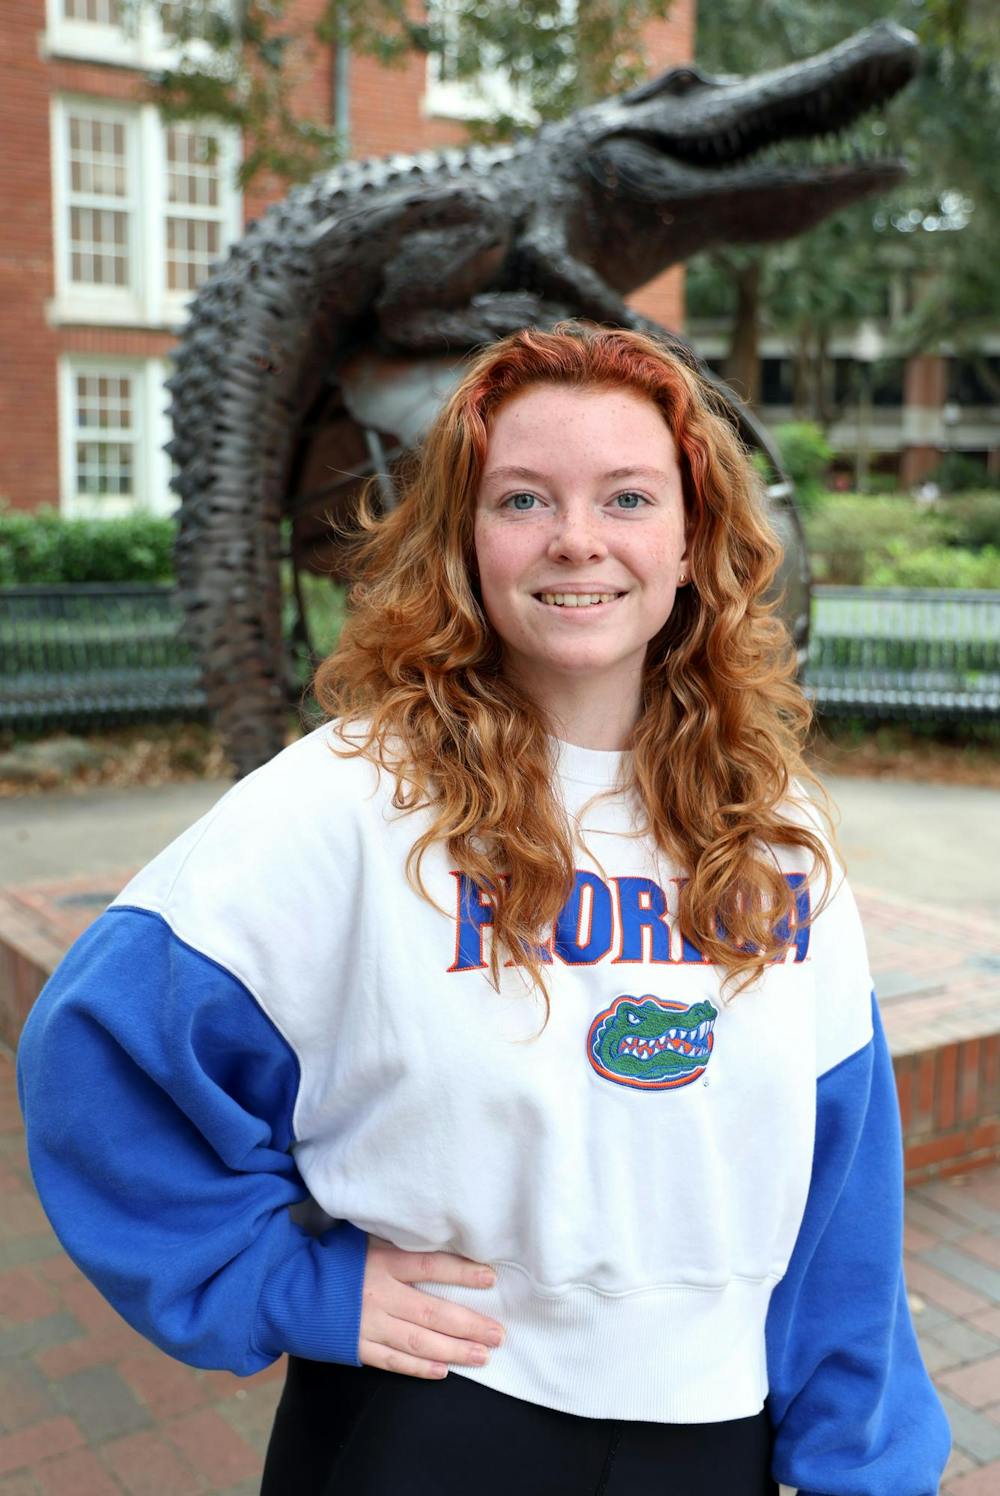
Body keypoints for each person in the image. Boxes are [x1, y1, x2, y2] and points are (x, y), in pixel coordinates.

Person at [17, 322, 950, 1495]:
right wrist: (285, 1277)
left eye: (626, 496)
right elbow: (97, 1052)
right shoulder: (349, 799)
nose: (576, 540)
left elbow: (840, 1183)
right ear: (463, 537)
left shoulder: (777, 832)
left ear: (690, 537)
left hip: (717, 1429)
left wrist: (862, 1463)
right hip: (436, 1412)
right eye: (521, 499)